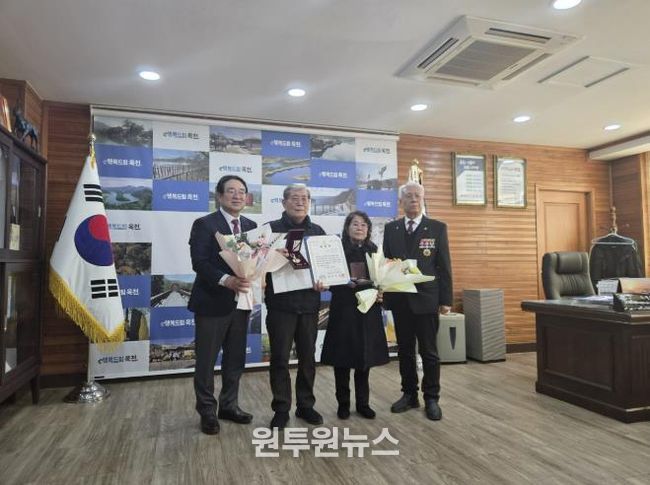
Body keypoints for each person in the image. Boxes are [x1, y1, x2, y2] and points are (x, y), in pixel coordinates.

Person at [188, 175, 256, 435]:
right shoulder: (205, 224)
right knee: (206, 361)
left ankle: (229, 405)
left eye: (242, 191)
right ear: (219, 196)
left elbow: (255, 262)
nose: (237, 196)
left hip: (242, 302)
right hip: (211, 302)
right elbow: (199, 262)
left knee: (235, 358)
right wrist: (227, 280)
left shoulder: (251, 226)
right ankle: (207, 410)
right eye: (231, 191)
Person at [382, 181, 453, 421]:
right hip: (400, 299)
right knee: (405, 351)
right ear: (400, 201)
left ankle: (431, 398)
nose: (413, 199)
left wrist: (446, 299)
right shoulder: (391, 229)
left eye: (417, 196)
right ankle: (409, 394)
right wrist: (386, 295)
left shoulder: (437, 228)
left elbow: (444, 266)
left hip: (427, 299)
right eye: (409, 196)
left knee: (429, 352)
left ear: (423, 200)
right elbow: (387, 264)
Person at [264, 183, 326, 429]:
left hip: (309, 304)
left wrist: (324, 280)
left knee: (308, 358)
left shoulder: (318, 231)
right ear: (284, 202)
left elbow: (324, 266)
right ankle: (281, 408)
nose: (300, 202)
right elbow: (258, 265)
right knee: (280, 358)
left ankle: (305, 405)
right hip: (280, 305)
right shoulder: (270, 230)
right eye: (295, 198)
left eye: (305, 198)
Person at [321, 211, 389, 419]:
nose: (359, 228)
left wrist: (382, 292)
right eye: (355, 224)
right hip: (344, 309)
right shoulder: (337, 249)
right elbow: (328, 280)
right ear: (347, 228)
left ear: (368, 229)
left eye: (363, 225)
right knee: (342, 359)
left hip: (368, 310)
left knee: (364, 358)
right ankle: (343, 404)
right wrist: (343, 282)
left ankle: (363, 404)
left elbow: (383, 280)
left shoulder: (374, 250)